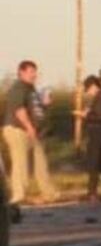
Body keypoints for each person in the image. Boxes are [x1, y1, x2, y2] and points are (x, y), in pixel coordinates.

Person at [1, 60, 58, 211]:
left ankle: (49, 193)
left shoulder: (31, 89)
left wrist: (45, 104)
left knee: (41, 161)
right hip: (17, 129)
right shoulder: (18, 88)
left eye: (35, 71)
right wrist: (29, 127)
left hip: (32, 130)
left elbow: (34, 109)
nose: (34, 74)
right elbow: (19, 110)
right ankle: (19, 195)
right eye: (31, 71)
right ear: (21, 72)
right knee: (21, 162)